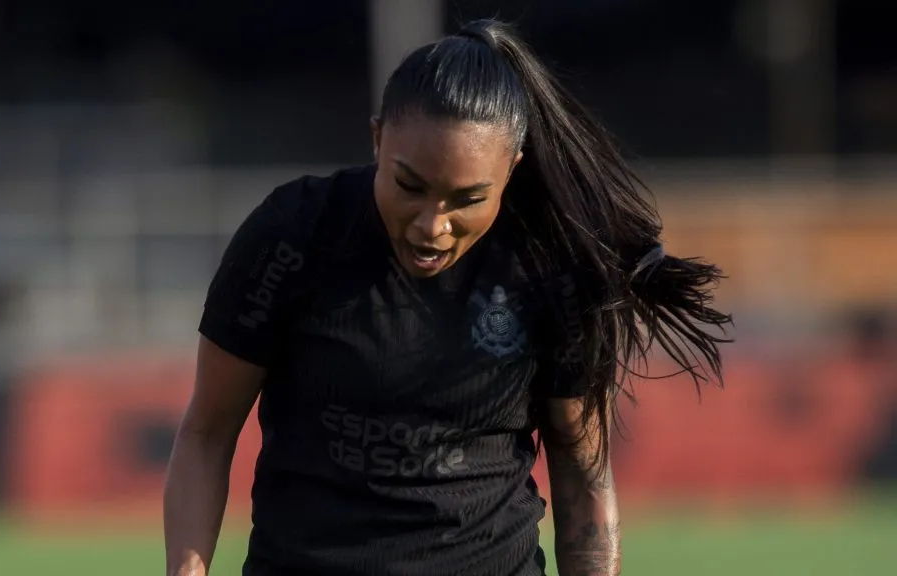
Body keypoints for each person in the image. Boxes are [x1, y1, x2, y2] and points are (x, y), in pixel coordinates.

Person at [164, 18, 731, 576]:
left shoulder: (551, 266)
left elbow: (582, 467)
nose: (432, 225)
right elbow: (207, 432)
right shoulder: (291, 236)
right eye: (409, 186)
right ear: (377, 138)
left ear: (511, 170)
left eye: (467, 199)